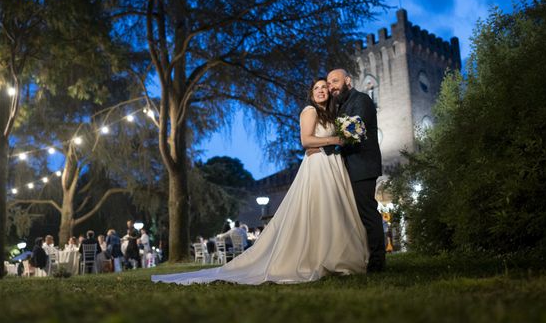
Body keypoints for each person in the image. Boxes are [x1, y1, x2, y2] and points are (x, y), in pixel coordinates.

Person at [152, 77, 368, 285]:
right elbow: (306, 140)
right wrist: (334, 140)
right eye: (316, 88)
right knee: (320, 210)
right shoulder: (310, 111)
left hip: (333, 165)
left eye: (324, 87)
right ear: (311, 94)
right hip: (318, 167)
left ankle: (338, 256)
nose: (321, 90)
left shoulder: (331, 115)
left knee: (334, 210)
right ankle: (319, 258)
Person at [325, 68, 385, 272]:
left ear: (348, 80)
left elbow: (354, 130)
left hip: (363, 165)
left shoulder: (361, 100)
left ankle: (378, 263)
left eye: (335, 81)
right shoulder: (341, 105)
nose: (331, 86)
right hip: (349, 166)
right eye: (329, 83)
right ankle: (361, 258)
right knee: (355, 215)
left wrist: (326, 144)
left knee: (367, 212)